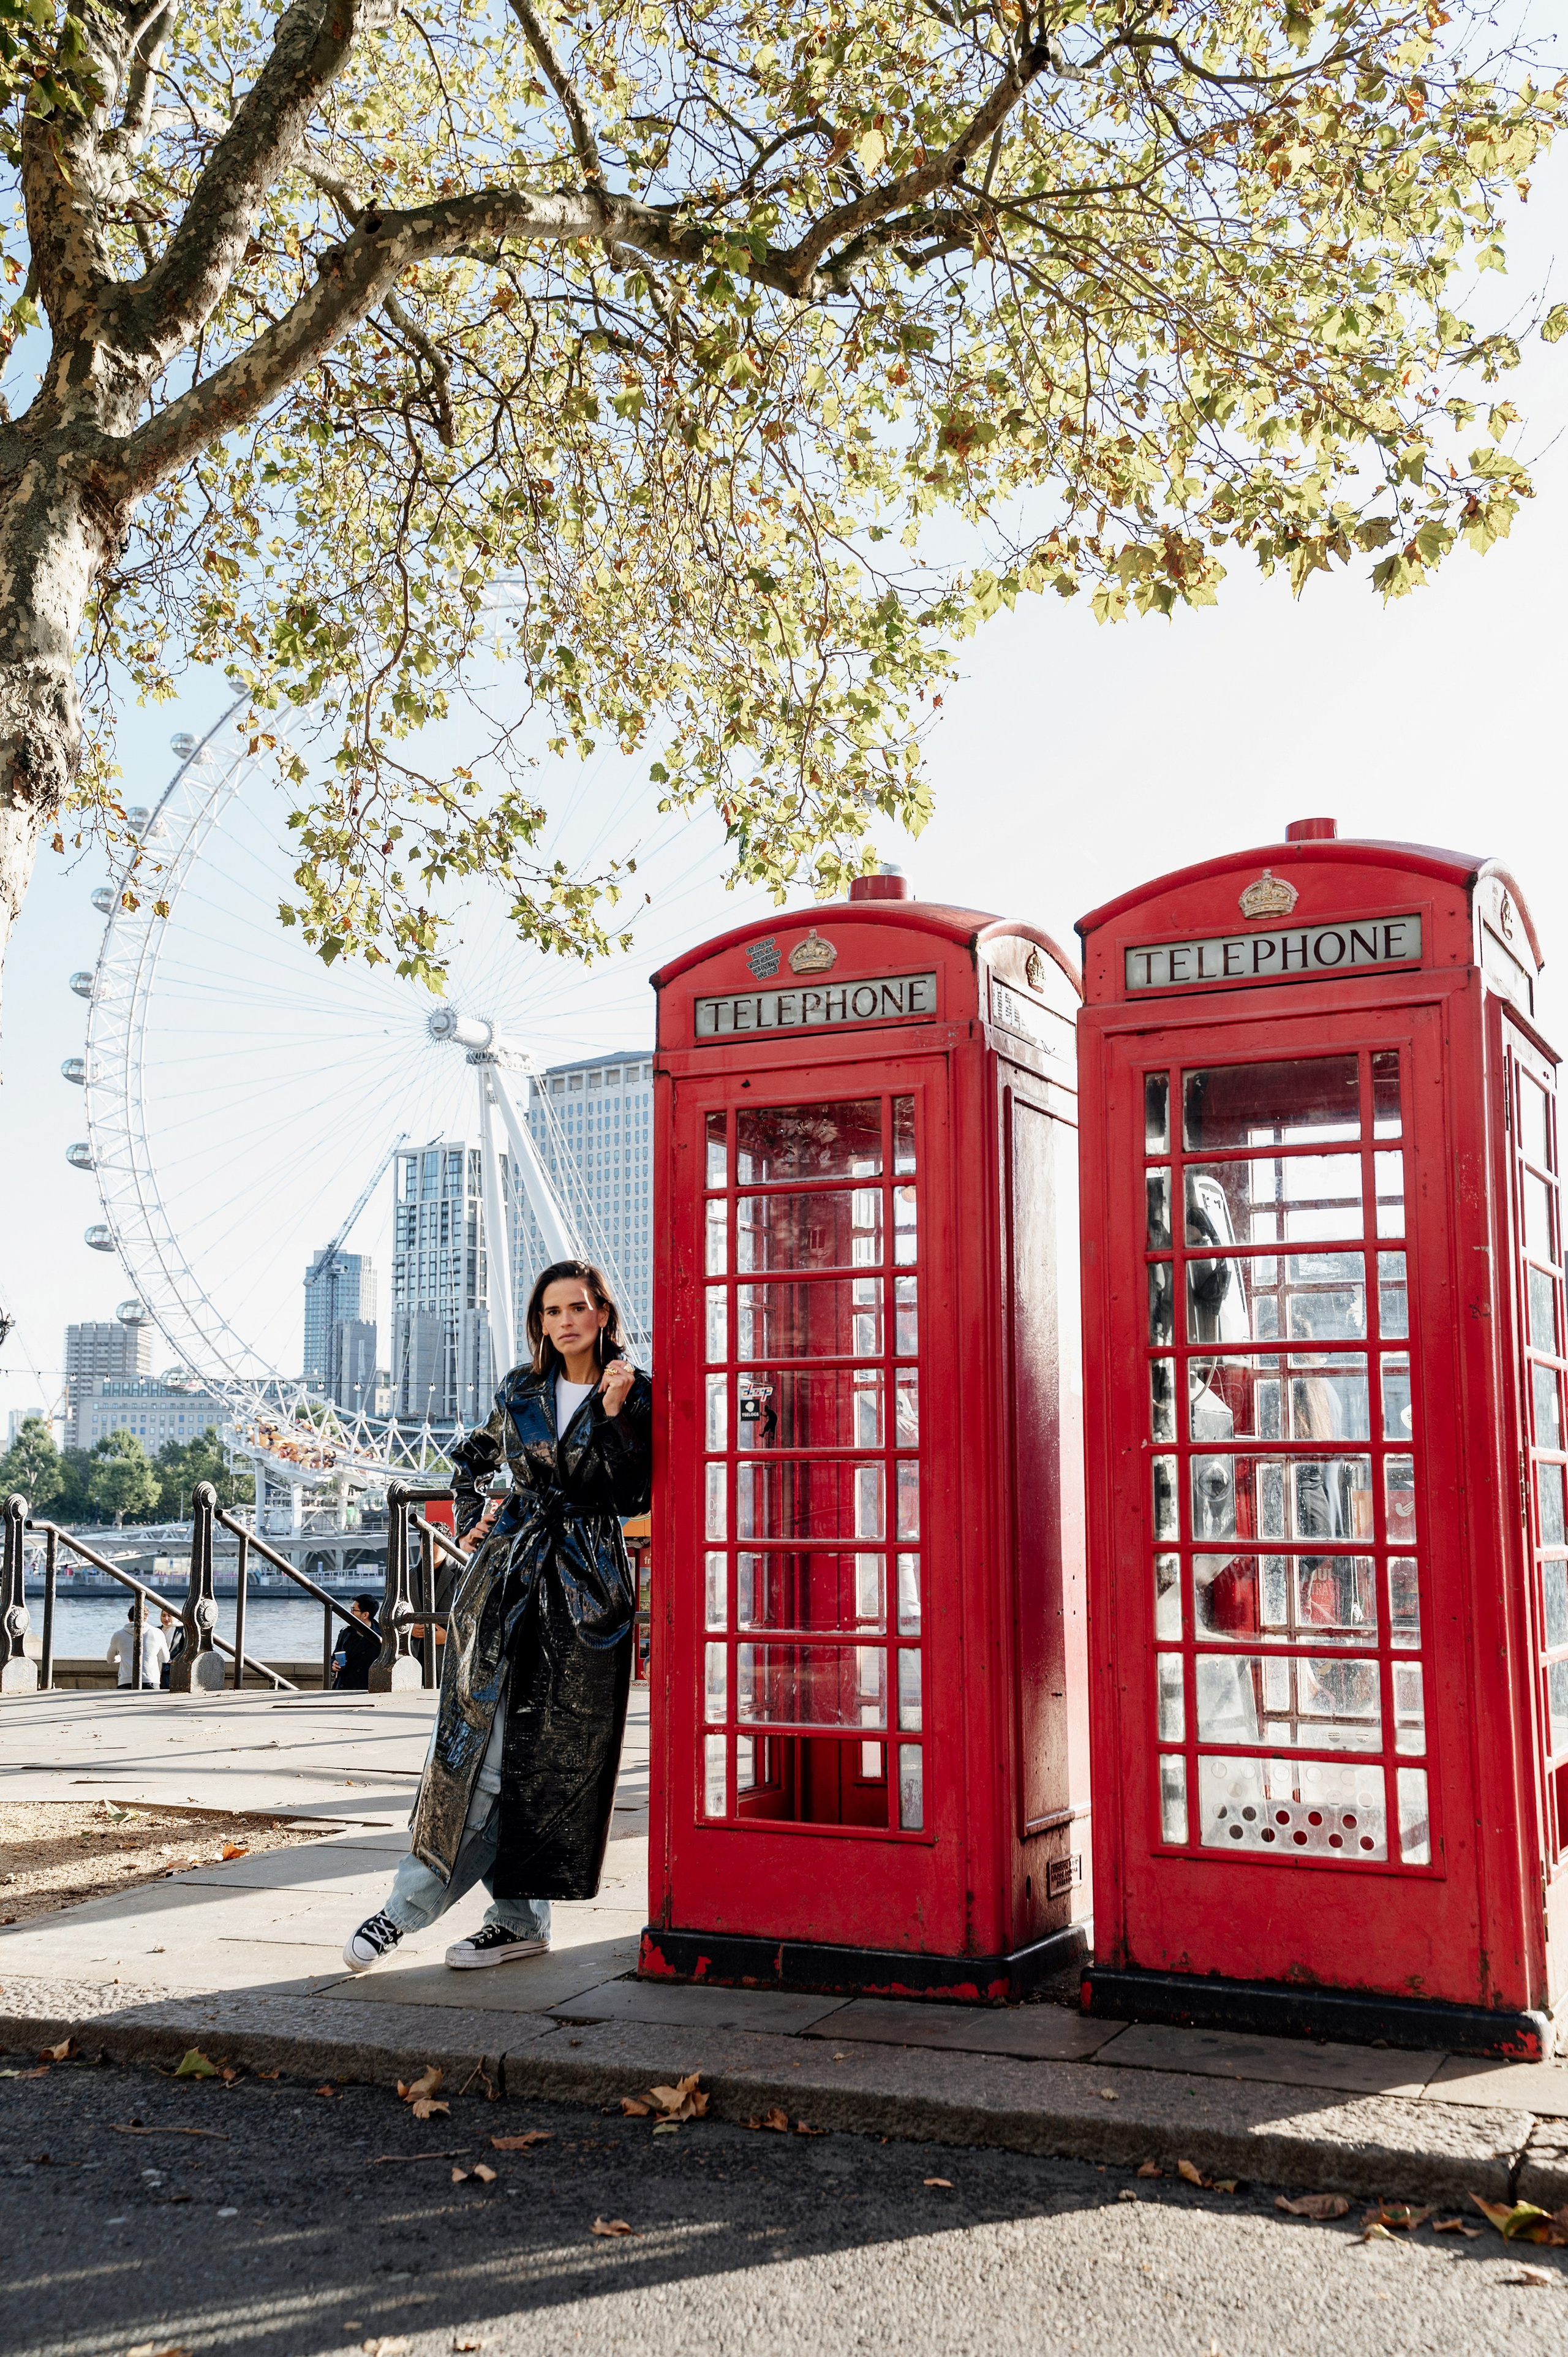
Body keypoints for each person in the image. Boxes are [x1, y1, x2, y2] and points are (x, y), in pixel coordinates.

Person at [342, 1260, 651, 1973]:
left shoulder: (634, 1394)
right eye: (552, 1310)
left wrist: (609, 1417)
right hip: (508, 1574)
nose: (566, 1320)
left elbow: (628, 1493)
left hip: (584, 1587)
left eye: (579, 1307)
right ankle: (477, 1916)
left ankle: (448, 1914)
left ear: (602, 1313)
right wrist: (480, 1516)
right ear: (539, 1320)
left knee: (537, 1761)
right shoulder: (518, 1387)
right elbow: (472, 1458)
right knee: (474, 1744)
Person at [107, 1602, 168, 1690]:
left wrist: (122, 1657)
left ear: (129, 1619)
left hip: (126, 1680)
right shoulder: (158, 1633)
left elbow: (110, 1659)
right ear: (146, 1618)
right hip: (151, 1679)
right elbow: (165, 1659)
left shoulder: (118, 1635)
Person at [331, 1595, 382, 1690]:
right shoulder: (346, 1633)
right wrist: (334, 1665)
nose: (350, 1613)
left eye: (354, 1610)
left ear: (365, 1615)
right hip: (343, 1687)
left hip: (366, 1689)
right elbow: (335, 1655)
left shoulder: (382, 1636)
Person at [158, 1607, 187, 1690]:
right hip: (157, 1667)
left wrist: (175, 1660)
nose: (166, 1619)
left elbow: (185, 1648)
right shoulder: (157, 1630)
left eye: (169, 1616)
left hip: (171, 1669)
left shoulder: (181, 1630)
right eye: (163, 1616)